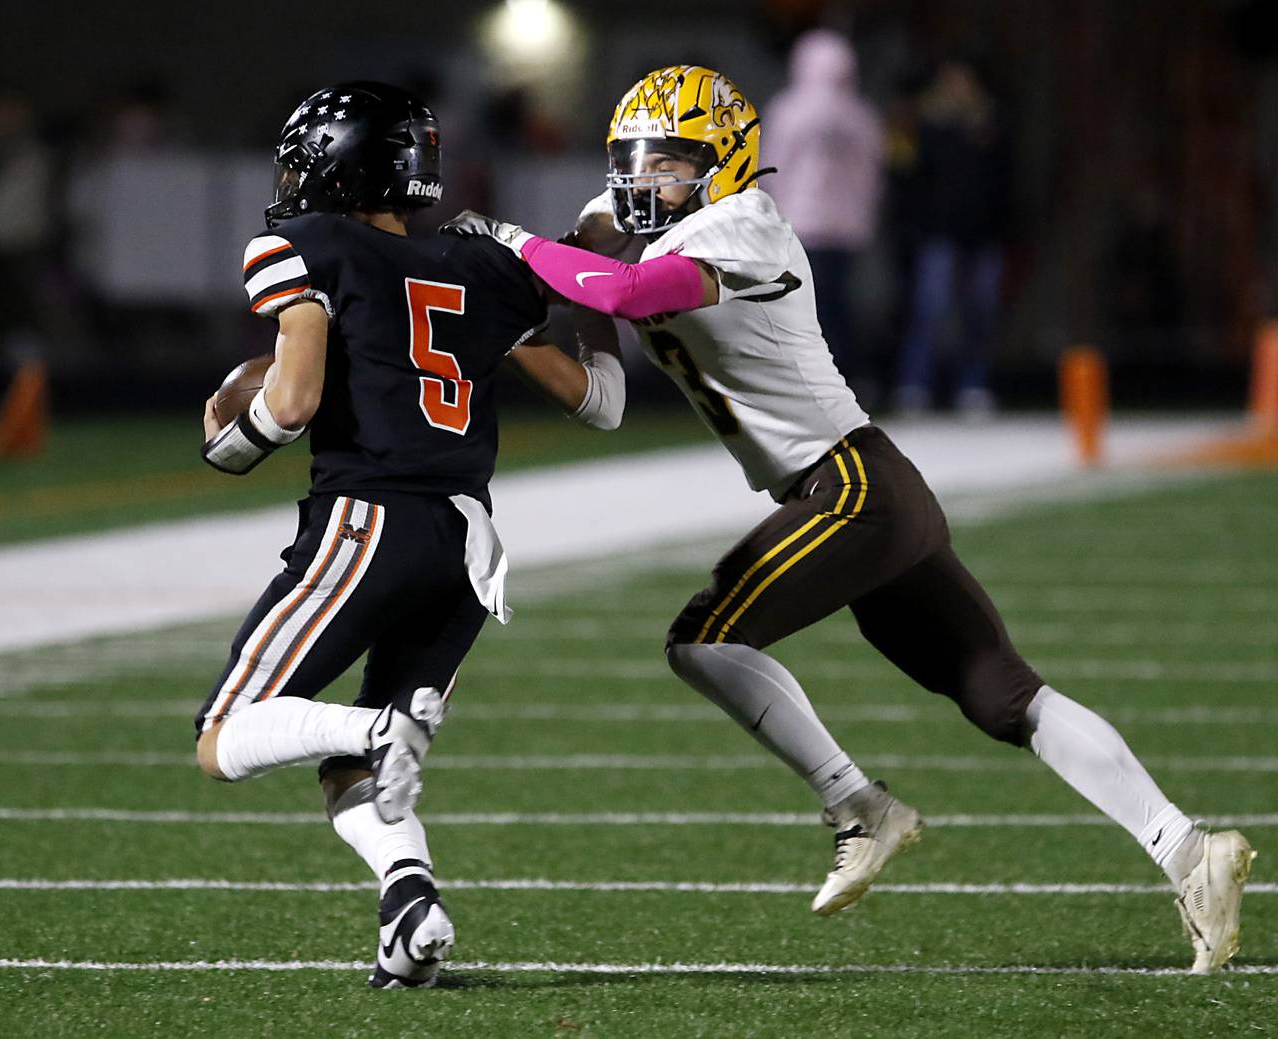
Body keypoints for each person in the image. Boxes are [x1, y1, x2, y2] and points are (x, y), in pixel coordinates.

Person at [443, 64, 1256, 974]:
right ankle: (1190, 849)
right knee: (1005, 696)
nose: (645, 182)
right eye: (636, 163)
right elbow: (594, 326)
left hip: (849, 488)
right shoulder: (659, 213)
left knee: (702, 641)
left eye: (670, 163)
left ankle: (858, 805)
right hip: (866, 488)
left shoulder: (739, 225)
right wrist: (514, 294)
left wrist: (512, 241)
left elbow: (625, 293)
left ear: (726, 161)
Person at [193, 82, 624, 989]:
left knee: (225, 735)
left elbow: (297, 396)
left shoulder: (301, 244)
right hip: (468, 546)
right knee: (350, 770)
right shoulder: (473, 266)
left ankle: (381, 727)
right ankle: (409, 903)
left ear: (337, 167)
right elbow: (598, 402)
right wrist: (601, 290)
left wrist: (239, 435)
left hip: (369, 521)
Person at [761, 30, 883, 403]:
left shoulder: (788, 110)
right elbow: (871, 173)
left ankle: (805, 382)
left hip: (799, 223)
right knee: (837, 305)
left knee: (799, 306)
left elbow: (771, 167)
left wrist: (768, 215)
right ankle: (839, 378)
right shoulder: (860, 114)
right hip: (845, 227)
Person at [892, 57, 1011, 417]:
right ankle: (915, 385)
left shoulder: (990, 125)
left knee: (981, 311)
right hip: (939, 232)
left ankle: (972, 385)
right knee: (931, 309)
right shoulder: (927, 126)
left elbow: (1004, 182)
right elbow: (909, 179)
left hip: (983, 233)